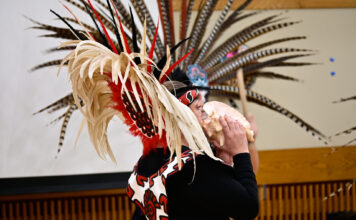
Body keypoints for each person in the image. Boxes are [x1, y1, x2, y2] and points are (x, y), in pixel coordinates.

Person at [128, 80, 259, 220]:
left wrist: (221, 163)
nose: (205, 115)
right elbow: (248, 208)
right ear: (181, 115)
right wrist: (241, 153)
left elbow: (197, 202)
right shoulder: (194, 166)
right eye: (199, 108)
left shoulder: (144, 162)